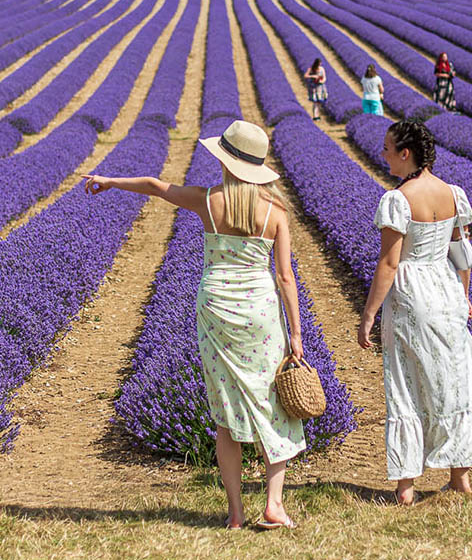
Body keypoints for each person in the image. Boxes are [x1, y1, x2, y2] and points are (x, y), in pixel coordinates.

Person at [83, 119, 305, 529]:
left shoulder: (208, 200)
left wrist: (108, 180)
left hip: (216, 308)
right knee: (273, 405)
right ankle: (273, 504)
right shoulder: (275, 212)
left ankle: (236, 513)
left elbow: (154, 185)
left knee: (226, 413)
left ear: (226, 161)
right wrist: (296, 332)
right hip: (259, 313)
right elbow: (286, 277)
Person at [358, 120, 472, 505]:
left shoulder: (397, 199)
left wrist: (368, 315)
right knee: (453, 382)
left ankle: (406, 487)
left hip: (413, 294)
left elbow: (390, 264)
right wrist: (463, 296)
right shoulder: (452, 194)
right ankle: (460, 479)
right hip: (446, 292)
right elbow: (462, 254)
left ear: (405, 153)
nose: (383, 155)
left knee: (407, 386)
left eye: (388, 149)